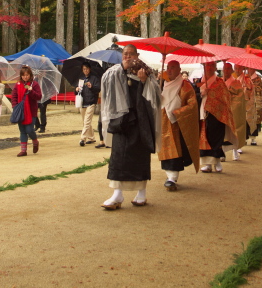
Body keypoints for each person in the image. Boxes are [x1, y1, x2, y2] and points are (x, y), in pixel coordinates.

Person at [100, 44, 161, 210]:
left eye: (131, 54)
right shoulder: (115, 71)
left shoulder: (146, 72)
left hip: (140, 122)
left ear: (137, 55)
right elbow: (105, 81)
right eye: (125, 54)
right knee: (118, 157)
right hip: (122, 123)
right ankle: (117, 194)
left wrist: (144, 81)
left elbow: (156, 95)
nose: (127, 57)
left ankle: (141, 192)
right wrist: (121, 68)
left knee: (139, 157)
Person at [158, 60, 199, 191]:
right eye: (168, 68)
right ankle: (169, 176)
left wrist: (178, 112)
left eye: (173, 68)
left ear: (179, 69)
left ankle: (172, 178)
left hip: (177, 122)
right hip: (164, 120)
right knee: (165, 149)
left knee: (176, 149)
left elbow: (192, 105)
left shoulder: (185, 85)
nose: (169, 70)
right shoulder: (164, 84)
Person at [199, 61, 236, 173]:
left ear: (215, 67)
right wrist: (200, 93)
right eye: (207, 65)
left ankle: (217, 162)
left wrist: (211, 97)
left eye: (211, 65)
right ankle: (208, 164)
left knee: (216, 137)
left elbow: (225, 98)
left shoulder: (219, 82)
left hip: (217, 114)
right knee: (205, 138)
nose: (209, 67)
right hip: (203, 113)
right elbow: (193, 96)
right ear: (204, 67)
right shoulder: (200, 81)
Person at [11, 66, 42, 157]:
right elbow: (14, 96)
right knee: (22, 130)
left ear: (30, 75)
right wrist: (15, 106)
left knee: (29, 129)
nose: (25, 77)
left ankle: (35, 140)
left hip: (31, 110)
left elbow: (39, 97)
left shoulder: (34, 84)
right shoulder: (18, 84)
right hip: (20, 110)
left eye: (27, 75)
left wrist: (31, 91)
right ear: (21, 76)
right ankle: (23, 150)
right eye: (23, 75)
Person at [222, 62, 245, 160]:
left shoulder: (236, 82)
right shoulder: (219, 81)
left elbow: (239, 98)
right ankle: (221, 153)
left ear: (231, 71)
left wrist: (228, 93)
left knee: (233, 130)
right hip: (221, 109)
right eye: (225, 69)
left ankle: (235, 151)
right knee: (222, 133)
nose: (226, 71)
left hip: (232, 109)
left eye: (228, 69)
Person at [76, 63, 101, 146]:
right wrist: (76, 89)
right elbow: (77, 91)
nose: (85, 70)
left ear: (89, 69)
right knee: (85, 121)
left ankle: (82, 138)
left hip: (91, 102)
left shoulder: (94, 78)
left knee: (87, 121)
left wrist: (91, 86)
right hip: (82, 102)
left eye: (86, 69)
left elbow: (98, 89)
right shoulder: (81, 79)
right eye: (84, 69)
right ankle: (91, 137)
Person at [247, 68, 262, 145]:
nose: (249, 70)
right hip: (247, 100)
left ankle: (253, 138)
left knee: (255, 119)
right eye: (248, 69)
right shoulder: (245, 77)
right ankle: (245, 137)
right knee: (246, 119)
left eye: (251, 69)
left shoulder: (258, 79)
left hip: (256, 101)